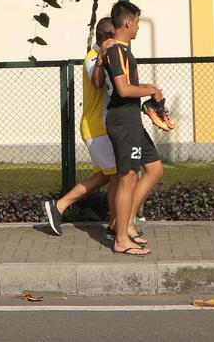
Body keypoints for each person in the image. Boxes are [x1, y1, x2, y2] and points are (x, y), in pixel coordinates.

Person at [44, 18, 143, 241]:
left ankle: (108, 221)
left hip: (101, 126)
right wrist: (100, 58)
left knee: (107, 176)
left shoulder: (109, 54)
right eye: (112, 36)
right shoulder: (92, 59)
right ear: (104, 38)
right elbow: (97, 82)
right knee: (119, 174)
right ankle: (64, 207)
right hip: (96, 126)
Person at [102, 1, 164, 255]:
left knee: (154, 169)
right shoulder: (116, 51)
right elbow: (123, 89)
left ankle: (125, 223)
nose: (138, 26)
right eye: (137, 21)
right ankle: (120, 239)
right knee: (127, 178)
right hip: (123, 121)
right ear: (128, 22)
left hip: (131, 119)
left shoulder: (119, 50)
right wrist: (152, 89)